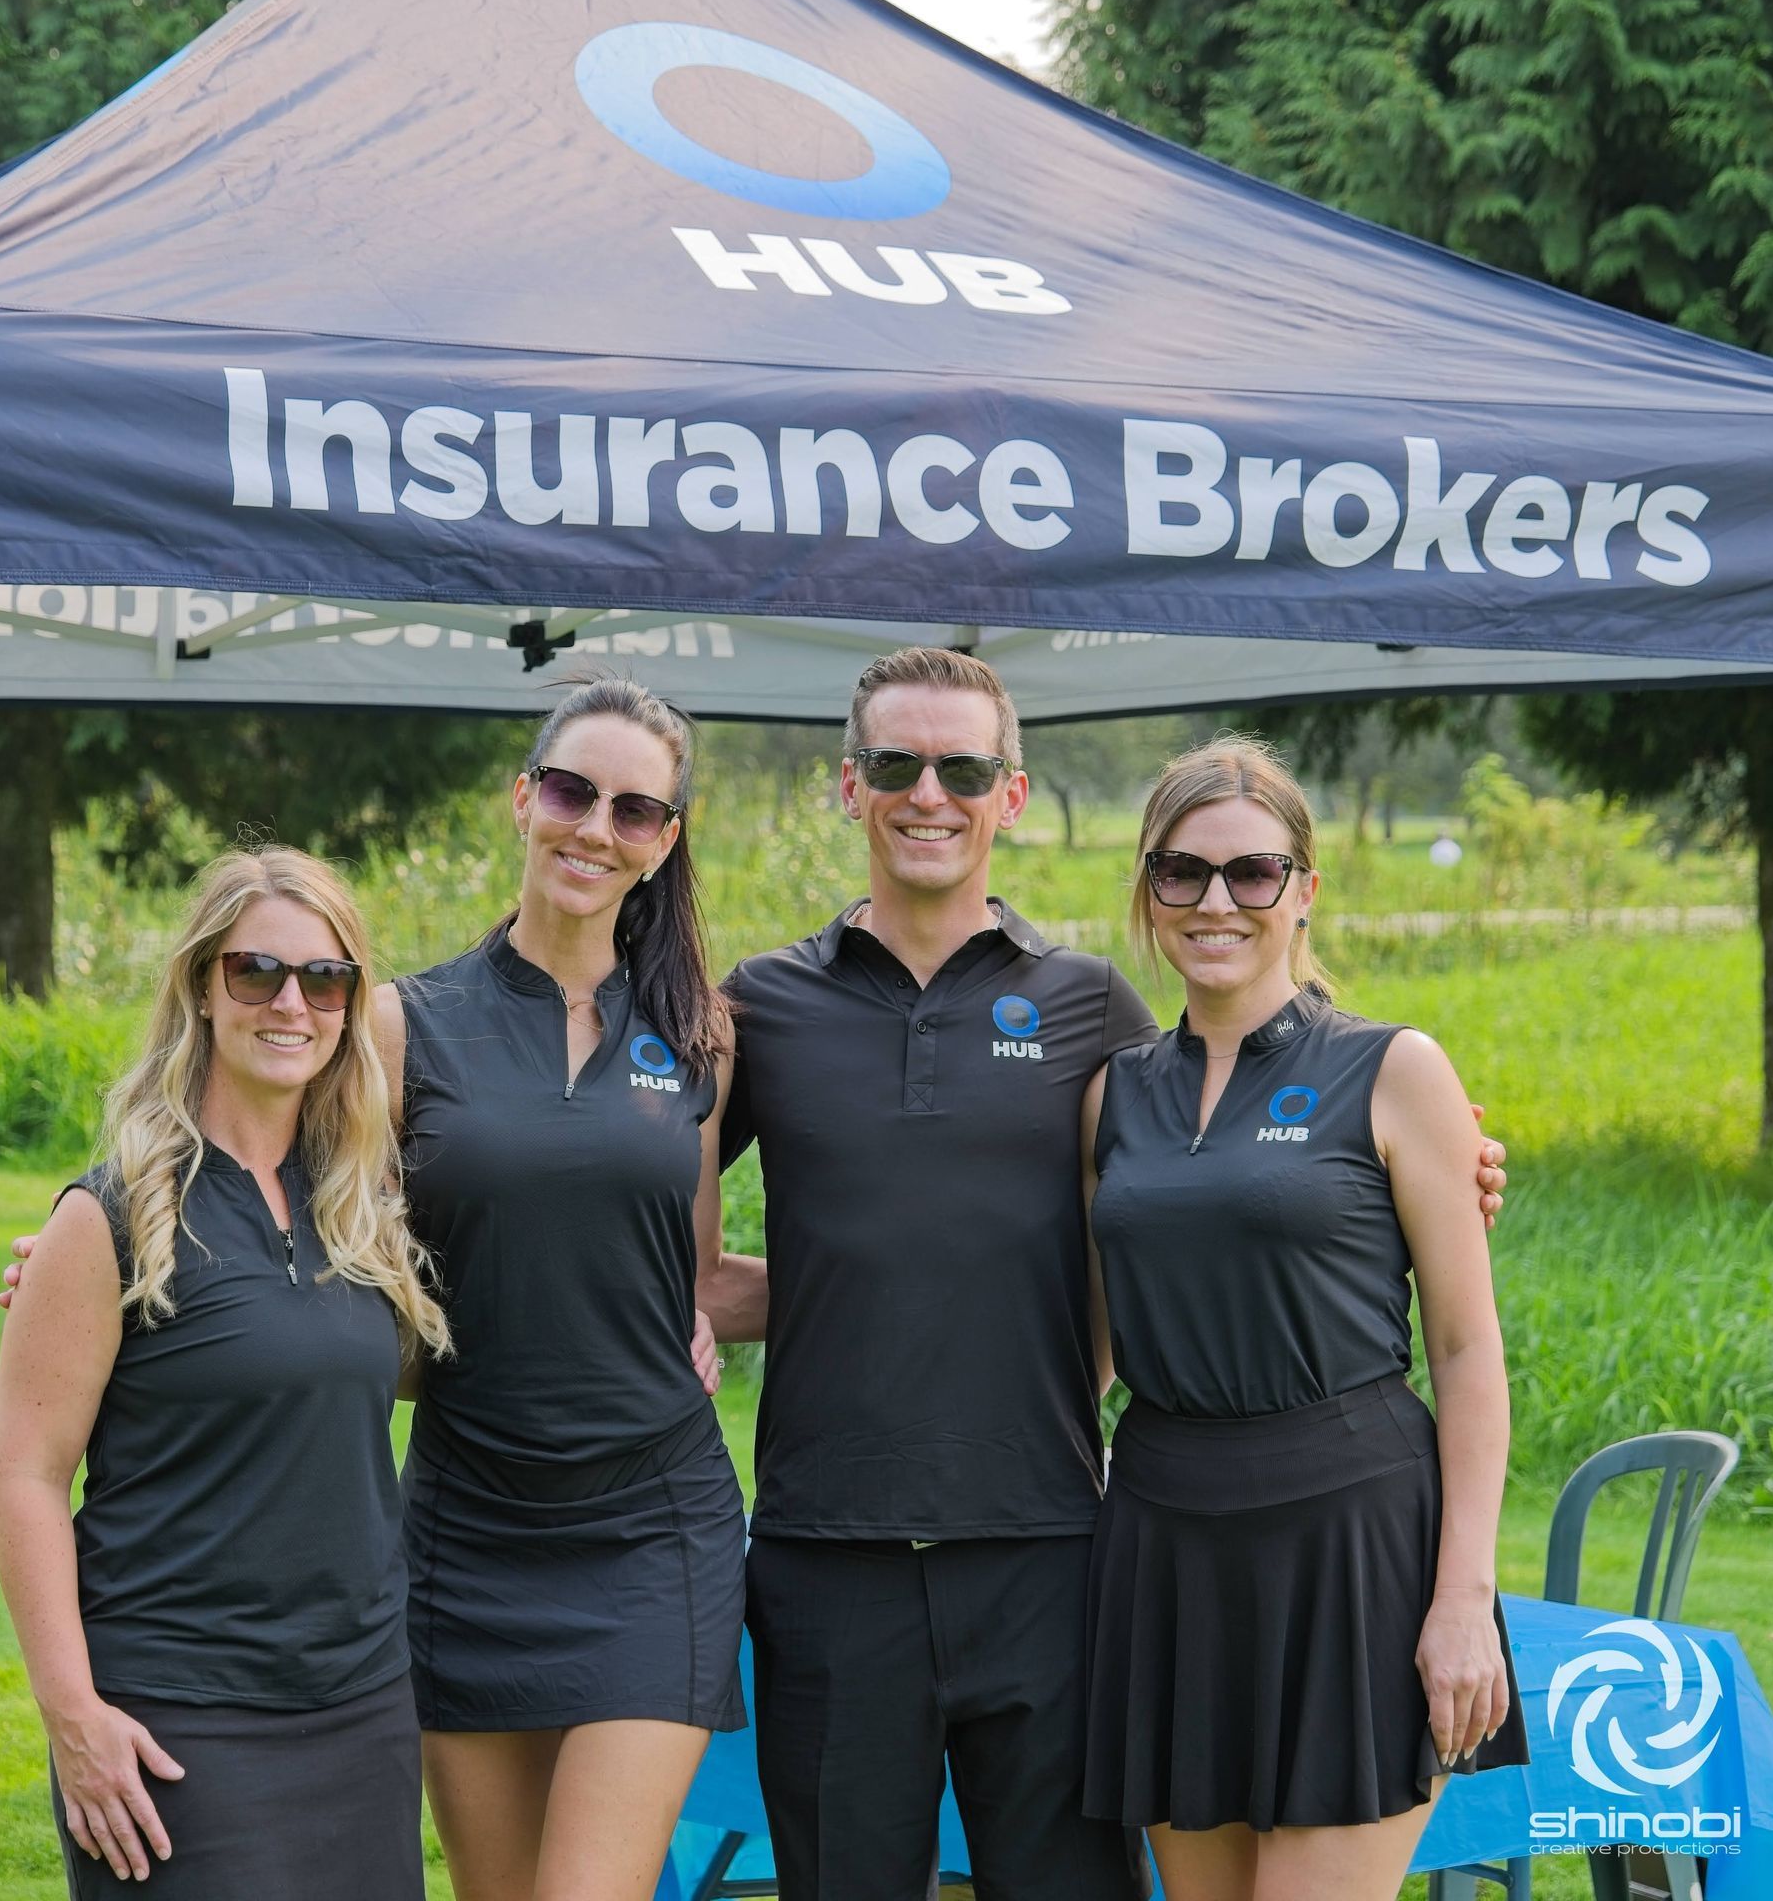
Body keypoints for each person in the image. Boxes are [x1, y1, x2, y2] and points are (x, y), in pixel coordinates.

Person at [696, 649, 1510, 1901]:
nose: (931, 793)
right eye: (899, 766)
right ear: (848, 787)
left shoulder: (1088, 1012)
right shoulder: (763, 1006)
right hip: (850, 1554)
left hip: (1066, 1557)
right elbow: (633, 1193)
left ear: (1010, 796)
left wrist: (1448, 1163)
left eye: (964, 768)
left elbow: (1260, 1150)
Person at [1079, 735, 1530, 1901]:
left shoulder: (1395, 1070)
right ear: (1147, 890)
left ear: (1304, 890)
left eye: (1252, 872)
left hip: (1351, 1542)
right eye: (1181, 872)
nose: (1215, 901)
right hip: (1166, 1540)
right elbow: (1090, 1342)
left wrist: (1463, 1601)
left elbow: (1470, 1352)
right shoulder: (1111, 1093)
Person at [0, 846, 450, 1898]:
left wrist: (681, 1320)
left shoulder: (361, 1212)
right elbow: (24, 1477)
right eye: (257, 972)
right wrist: (73, 1719)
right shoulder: (106, 1218)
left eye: (325, 980)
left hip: (361, 1708)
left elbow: (368, 1376)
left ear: (349, 1006)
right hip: (175, 1727)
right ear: (203, 986)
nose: (293, 1003)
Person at [380, 675, 747, 1901]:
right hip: (466, 1526)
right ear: (523, 798)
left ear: (665, 841)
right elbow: (290, 1220)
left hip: (656, 1527)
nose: (596, 827)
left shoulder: (702, 1033)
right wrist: (100, 1247)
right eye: (572, 791)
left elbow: (686, 1270)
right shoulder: (397, 1026)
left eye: (634, 809)